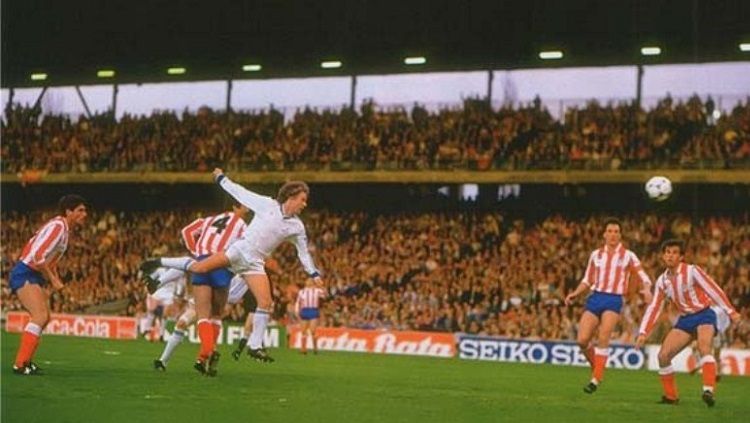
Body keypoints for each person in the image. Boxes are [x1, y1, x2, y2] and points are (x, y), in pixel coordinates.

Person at [142, 168, 324, 364]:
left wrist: (313, 273)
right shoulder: (267, 205)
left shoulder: (297, 227)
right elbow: (240, 192)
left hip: (254, 263)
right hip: (238, 252)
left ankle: (255, 346)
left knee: (266, 302)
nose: (304, 204)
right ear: (291, 197)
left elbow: (303, 252)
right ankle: (158, 262)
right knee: (199, 267)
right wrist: (221, 178)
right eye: (302, 199)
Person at [636, 239, 741, 407]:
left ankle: (708, 390)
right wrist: (642, 332)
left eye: (674, 252)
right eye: (667, 252)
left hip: (704, 314)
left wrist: (731, 311)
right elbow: (655, 306)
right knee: (663, 355)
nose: (670, 256)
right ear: (663, 256)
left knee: (704, 347)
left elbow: (713, 290)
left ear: (681, 257)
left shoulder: (692, 271)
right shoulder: (662, 281)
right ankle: (671, 397)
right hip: (685, 319)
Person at [153, 203, 249, 376]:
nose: (248, 209)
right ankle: (205, 354)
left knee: (203, 316)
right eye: (245, 206)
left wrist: (197, 252)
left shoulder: (209, 220)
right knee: (215, 316)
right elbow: (245, 249)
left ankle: (205, 354)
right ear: (235, 206)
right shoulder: (242, 225)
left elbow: (187, 232)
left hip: (202, 263)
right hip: (221, 265)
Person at [564, 218, 653, 394]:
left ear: (620, 235)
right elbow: (588, 279)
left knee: (604, 336)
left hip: (614, 299)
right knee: (582, 340)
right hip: (595, 297)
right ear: (604, 234)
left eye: (616, 232)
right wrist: (576, 293)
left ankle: (596, 379)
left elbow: (643, 275)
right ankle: (597, 368)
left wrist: (647, 289)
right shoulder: (596, 255)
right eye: (610, 231)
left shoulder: (628, 255)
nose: (613, 235)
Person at [9, 195, 88, 375]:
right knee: (40, 315)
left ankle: (26, 361)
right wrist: (54, 280)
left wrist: (54, 279)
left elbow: (50, 263)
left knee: (45, 317)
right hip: (26, 272)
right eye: (80, 210)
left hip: (34, 274)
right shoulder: (59, 227)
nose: (85, 214)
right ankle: (20, 364)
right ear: (69, 212)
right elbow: (37, 257)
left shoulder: (64, 230)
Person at [154, 273, 252, 370]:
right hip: (201, 299)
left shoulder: (235, 272)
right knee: (182, 324)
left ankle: (205, 359)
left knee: (200, 326)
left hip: (211, 300)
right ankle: (163, 361)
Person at [295, 278, 327, 355]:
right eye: (307, 280)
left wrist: (321, 286)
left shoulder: (316, 290)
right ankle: (303, 349)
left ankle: (315, 348)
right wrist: (296, 311)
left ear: (313, 283)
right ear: (305, 282)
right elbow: (298, 302)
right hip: (304, 311)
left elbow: (325, 295)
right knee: (303, 331)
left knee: (313, 331)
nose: (309, 281)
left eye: (310, 281)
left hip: (313, 310)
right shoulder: (301, 292)